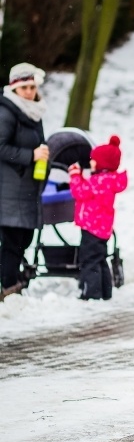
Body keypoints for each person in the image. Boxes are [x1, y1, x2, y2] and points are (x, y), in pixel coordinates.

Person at [0, 63, 49, 301]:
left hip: (27, 188)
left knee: (24, 239)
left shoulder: (33, 112)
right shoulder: (7, 112)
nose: (29, 91)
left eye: (32, 87)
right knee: (12, 241)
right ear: (15, 89)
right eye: (24, 87)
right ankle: (8, 288)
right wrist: (30, 156)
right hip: (9, 189)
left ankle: (14, 282)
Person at [67, 135, 128, 300]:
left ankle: (92, 294)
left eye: (94, 160)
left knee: (90, 261)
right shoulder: (109, 180)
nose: (91, 162)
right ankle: (105, 292)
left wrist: (74, 175)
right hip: (102, 228)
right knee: (100, 260)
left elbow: (79, 191)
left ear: (103, 163)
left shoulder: (99, 181)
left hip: (92, 227)